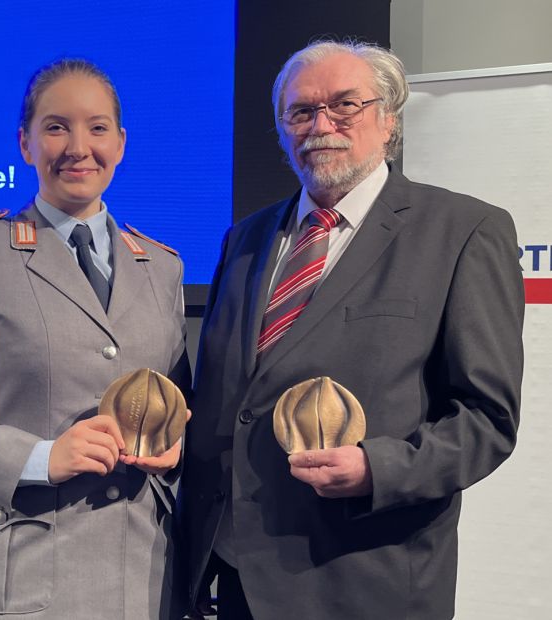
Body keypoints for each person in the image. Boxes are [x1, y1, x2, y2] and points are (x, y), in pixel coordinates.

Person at [181, 40, 524, 620]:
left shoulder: (465, 231)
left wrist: (378, 469)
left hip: (366, 579)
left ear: (388, 119)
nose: (321, 125)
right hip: (233, 577)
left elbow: (487, 419)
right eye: (301, 111)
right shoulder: (245, 237)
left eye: (345, 105)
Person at [0, 58, 191, 620]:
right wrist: (40, 457)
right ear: (25, 143)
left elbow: (177, 405)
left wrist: (174, 451)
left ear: (120, 144)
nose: (79, 146)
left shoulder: (163, 267)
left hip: (145, 575)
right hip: (25, 570)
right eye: (56, 127)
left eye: (97, 128)